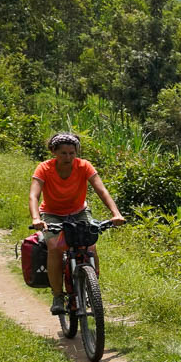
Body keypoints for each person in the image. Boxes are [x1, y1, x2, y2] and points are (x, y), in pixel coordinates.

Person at [28, 132, 124, 315]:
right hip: (51, 214)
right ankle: (57, 296)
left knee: (90, 246)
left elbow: (101, 190)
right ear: (54, 152)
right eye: (63, 153)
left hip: (79, 212)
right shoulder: (44, 168)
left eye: (72, 153)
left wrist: (116, 214)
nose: (68, 157)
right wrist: (36, 218)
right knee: (55, 246)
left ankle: (91, 289)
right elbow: (34, 195)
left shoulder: (84, 166)